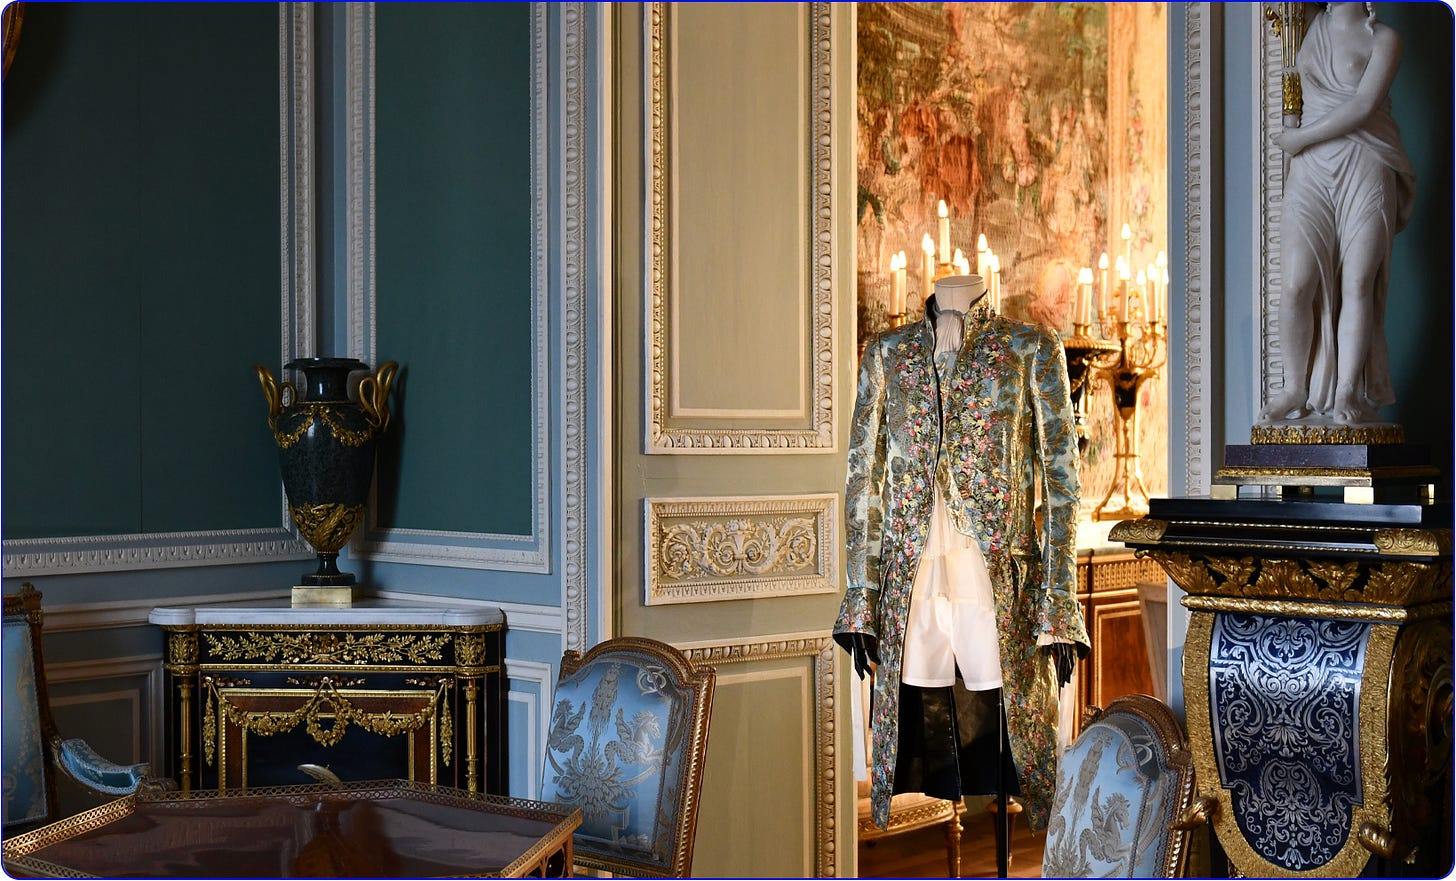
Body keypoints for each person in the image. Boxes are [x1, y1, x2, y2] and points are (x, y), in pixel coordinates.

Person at [835, 274, 1088, 835]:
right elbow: (862, 478)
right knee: (922, 726)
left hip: (998, 584)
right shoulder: (887, 353)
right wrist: (861, 596)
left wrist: (1060, 602)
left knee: (1013, 733)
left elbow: (1062, 481)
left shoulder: (1029, 347)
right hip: (914, 585)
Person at [1260, 2, 1415, 425]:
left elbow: (1363, 105)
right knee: (1296, 284)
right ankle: (1295, 387)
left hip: (1365, 162)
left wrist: (1300, 138)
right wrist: (1297, 134)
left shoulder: (1385, 39)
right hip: (1311, 170)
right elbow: (1294, 85)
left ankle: (1348, 389)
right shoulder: (1305, 25)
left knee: (1359, 282)